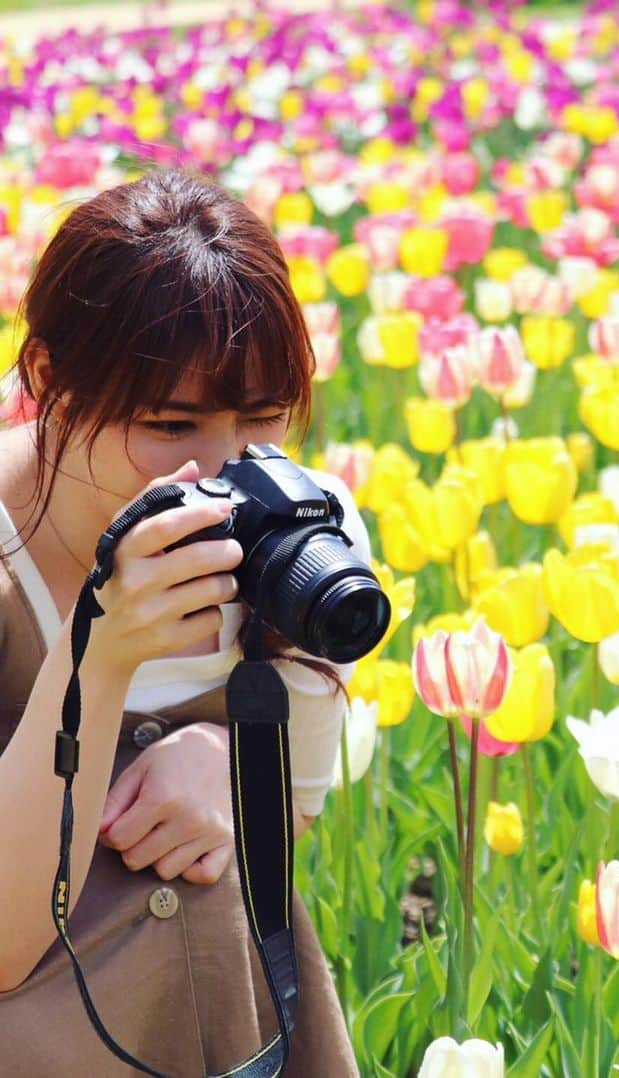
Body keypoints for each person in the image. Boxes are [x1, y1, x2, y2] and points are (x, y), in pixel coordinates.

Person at [0, 167, 362, 1076]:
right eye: (170, 423)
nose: (218, 475)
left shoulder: (301, 531)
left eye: (262, 422)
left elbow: (310, 785)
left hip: (239, 1020)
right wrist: (97, 659)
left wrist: (239, 767)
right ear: (46, 377)